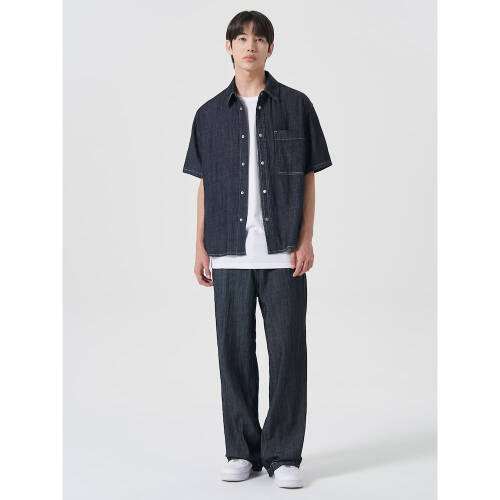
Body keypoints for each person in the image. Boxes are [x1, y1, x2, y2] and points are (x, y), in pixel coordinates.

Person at [182, 10, 333, 489]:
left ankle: (284, 454)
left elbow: (308, 175)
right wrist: (200, 246)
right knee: (234, 355)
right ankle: (241, 450)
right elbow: (205, 184)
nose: (250, 46)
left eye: (259, 38)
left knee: (288, 354)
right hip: (227, 252)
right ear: (228, 47)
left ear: (271, 48)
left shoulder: (296, 105)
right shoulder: (208, 115)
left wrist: (306, 238)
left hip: (283, 253)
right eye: (242, 38)